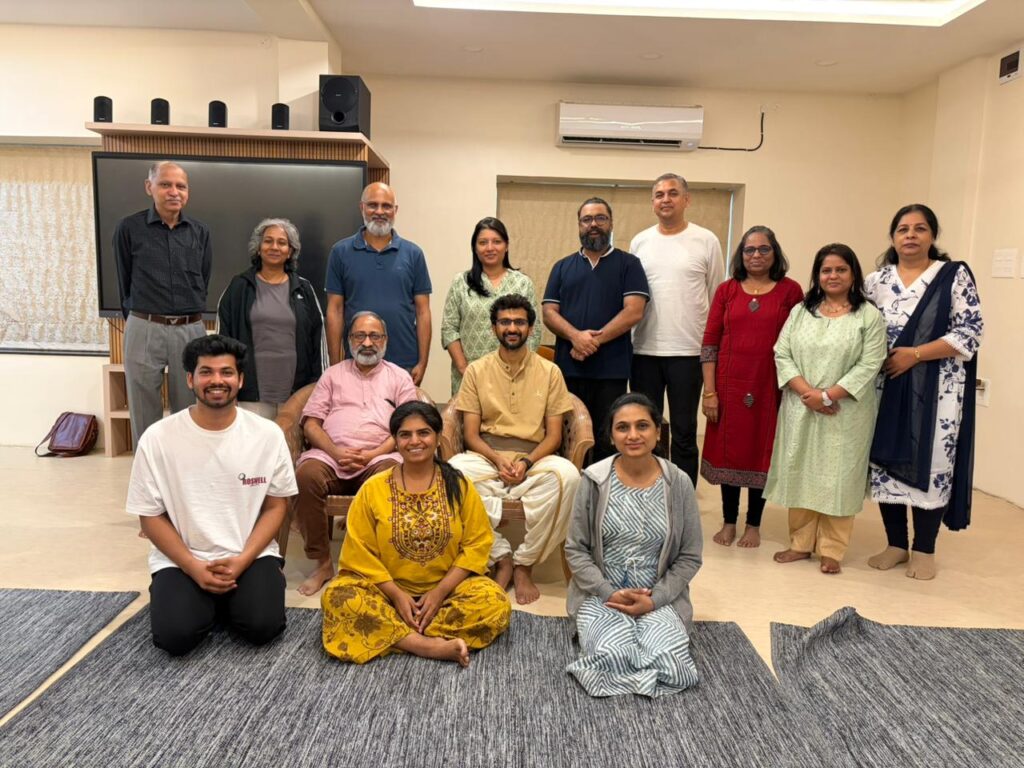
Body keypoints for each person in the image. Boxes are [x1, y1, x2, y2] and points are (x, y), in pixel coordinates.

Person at [125, 334, 297, 656]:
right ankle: (200, 600)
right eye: (206, 372)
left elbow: (277, 507)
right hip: (183, 558)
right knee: (175, 638)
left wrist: (243, 560)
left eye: (226, 372)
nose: (217, 380)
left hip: (250, 555)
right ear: (190, 379)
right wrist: (193, 567)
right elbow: (149, 517)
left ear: (240, 380)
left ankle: (226, 600)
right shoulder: (158, 438)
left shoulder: (267, 434)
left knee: (263, 627)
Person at [321, 401, 511, 666]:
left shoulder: (459, 485)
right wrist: (396, 595)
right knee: (337, 596)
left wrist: (440, 592)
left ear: (437, 437)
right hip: (386, 592)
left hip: (448, 591)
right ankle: (427, 645)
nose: (414, 441)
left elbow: (477, 544)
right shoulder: (373, 488)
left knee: (495, 603)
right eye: (405, 434)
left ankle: (392, 633)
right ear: (395, 442)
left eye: (423, 433)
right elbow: (359, 552)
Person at [865, 204, 983, 581]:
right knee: (885, 461)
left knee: (932, 463)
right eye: (903, 229)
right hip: (886, 385)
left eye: (919, 228)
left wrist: (915, 355)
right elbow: (859, 327)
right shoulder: (876, 281)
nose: (911, 235)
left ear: (932, 235)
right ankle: (896, 544)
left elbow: (970, 332)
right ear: (893, 237)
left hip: (937, 390)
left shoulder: (952, 276)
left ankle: (924, 549)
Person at [565, 393, 702, 698]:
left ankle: (642, 665)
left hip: (660, 597)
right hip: (602, 596)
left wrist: (655, 599)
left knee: (669, 663)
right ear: (611, 437)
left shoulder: (678, 483)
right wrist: (608, 592)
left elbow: (690, 556)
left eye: (642, 426)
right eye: (622, 427)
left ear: (657, 432)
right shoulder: (593, 481)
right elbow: (576, 549)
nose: (633, 435)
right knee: (611, 656)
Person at [449, 294, 581, 605]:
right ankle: (500, 556)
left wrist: (526, 462)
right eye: (505, 322)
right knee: (451, 475)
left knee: (569, 479)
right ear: (494, 328)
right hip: (486, 456)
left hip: (536, 458)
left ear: (531, 328)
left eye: (519, 322)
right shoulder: (476, 371)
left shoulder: (550, 372)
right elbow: (470, 435)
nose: (512, 328)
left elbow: (553, 436)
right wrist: (497, 460)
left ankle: (524, 564)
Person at [764, 244, 886, 574]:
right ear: (817, 275)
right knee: (801, 471)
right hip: (801, 405)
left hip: (847, 412)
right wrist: (810, 394)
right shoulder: (802, 312)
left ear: (853, 274)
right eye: (826, 270)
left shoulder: (868, 316)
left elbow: (870, 363)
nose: (833, 276)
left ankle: (832, 549)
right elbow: (782, 353)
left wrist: (829, 396)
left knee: (839, 476)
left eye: (840, 269)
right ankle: (800, 543)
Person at [294, 311, 418, 596]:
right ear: (349, 340)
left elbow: (409, 425)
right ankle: (323, 563)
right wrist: (336, 452)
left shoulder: (399, 377)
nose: (367, 343)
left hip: (379, 457)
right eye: (360, 336)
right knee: (306, 476)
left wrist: (373, 454)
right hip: (330, 457)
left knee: (391, 477)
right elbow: (311, 423)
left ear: (385, 340)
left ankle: (372, 564)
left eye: (374, 336)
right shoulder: (333, 375)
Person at [700, 226, 804, 548]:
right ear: (741, 255)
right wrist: (710, 392)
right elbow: (710, 343)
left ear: (775, 253)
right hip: (728, 386)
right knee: (729, 453)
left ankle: (754, 524)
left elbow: (799, 340)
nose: (756, 255)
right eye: (749, 250)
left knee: (762, 453)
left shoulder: (790, 291)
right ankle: (729, 521)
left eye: (763, 249)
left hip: (770, 386)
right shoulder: (727, 290)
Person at [630, 173, 725, 486]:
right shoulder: (640, 242)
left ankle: (682, 497)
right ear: (652, 203)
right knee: (646, 430)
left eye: (673, 193)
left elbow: (716, 298)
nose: (666, 199)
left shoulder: (706, 240)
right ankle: (650, 490)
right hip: (644, 350)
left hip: (688, 352)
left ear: (686, 199)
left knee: (684, 432)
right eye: (659, 194)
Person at [542, 197, 649, 461]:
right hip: (569, 368)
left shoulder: (629, 264)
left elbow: (634, 311)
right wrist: (575, 337)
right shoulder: (562, 267)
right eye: (587, 219)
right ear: (579, 225)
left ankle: (602, 486)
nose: (593, 224)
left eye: (600, 218)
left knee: (606, 439)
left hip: (611, 370)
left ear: (611, 223)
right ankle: (571, 485)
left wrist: (592, 341)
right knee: (568, 439)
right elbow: (548, 313)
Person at [114, 161, 212, 444]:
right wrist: (141, 321)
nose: (174, 192)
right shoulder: (129, 228)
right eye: (165, 184)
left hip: (190, 329)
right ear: (150, 187)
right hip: (145, 326)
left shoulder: (200, 231)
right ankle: (148, 469)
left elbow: (203, 279)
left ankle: (185, 467)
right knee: (143, 409)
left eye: (181, 186)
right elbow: (124, 281)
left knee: (191, 409)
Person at [324, 182, 432, 385]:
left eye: (386, 206)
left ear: (395, 210)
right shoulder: (340, 252)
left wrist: (422, 362)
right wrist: (335, 365)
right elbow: (335, 310)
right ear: (362, 208)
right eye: (373, 205)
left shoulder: (414, 254)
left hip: (404, 363)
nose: (380, 211)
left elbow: (423, 311)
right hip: (355, 361)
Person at [217, 218, 324, 419]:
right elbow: (223, 342)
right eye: (268, 241)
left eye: (282, 242)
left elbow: (318, 341)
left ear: (290, 251)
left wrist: (316, 387)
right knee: (253, 440)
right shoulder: (238, 287)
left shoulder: (304, 289)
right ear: (258, 248)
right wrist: (227, 384)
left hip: (296, 395)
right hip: (250, 394)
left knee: (290, 441)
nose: (274, 247)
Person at [441, 217, 541, 396]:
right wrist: (464, 368)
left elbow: (534, 331)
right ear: (474, 247)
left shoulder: (522, 283)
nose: (490, 248)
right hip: (468, 375)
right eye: (483, 242)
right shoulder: (461, 282)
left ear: (506, 245)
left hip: (513, 376)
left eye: (497, 241)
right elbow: (449, 329)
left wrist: (520, 369)